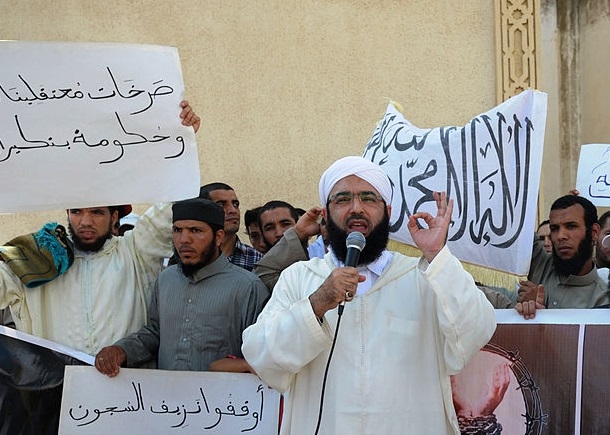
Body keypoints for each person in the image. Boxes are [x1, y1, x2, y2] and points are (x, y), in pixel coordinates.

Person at [242, 156, 496, 435]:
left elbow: (476, 331)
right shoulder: (300, 278)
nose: (356, 208)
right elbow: (261, 357)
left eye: (368, 199)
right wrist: (315, 305)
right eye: (342, 199)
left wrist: (437, 257)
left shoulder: (422, 275)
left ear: (387, 211)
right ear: (325, 215)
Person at [95, 198, 269, 376]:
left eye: (195, 230)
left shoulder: (248, 287)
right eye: (177, 230)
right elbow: (155, 333)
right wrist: (122, 350)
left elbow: (261, 355)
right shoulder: (165, 279)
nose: (184, 240)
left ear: (218, 237)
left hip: (223, 401)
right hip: (166, 399)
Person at [516, 194, 610, 319]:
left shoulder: (603, 301)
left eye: (571, 226)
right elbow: (512, 217)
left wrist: (540, 314)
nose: (560, 236)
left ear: (594, 233)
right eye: (554, 228)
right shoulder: (539, 262)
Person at [199, 183, 262, 271]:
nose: (233, 210)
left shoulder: (257, 260)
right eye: (221, 205)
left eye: (235, 204)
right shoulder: (190, 257)